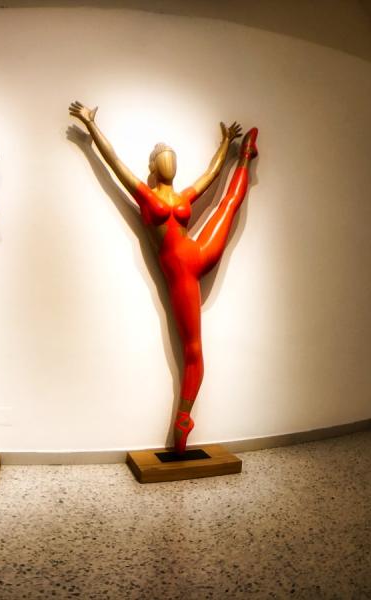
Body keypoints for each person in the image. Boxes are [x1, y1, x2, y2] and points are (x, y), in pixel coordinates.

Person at [69, 100, 258, 453]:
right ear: (153, 167)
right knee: (193, 348)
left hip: (198, 252)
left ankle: (247, 155)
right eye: (164, 159)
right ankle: (184, 420)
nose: (169, 163)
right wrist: (91, 127)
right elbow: (115, 163)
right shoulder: (144, 194)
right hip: (182, 274)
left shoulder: (184, 194)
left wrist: (226, 145)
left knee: (228, 205)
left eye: (173, 158)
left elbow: (212, 174)